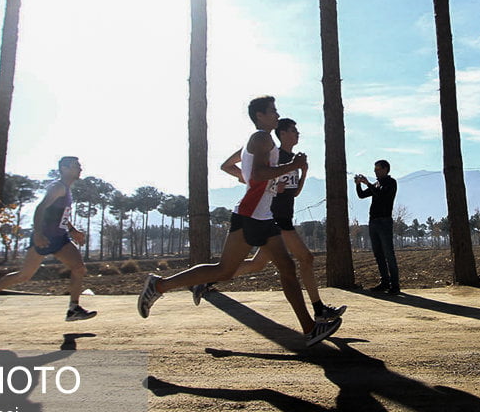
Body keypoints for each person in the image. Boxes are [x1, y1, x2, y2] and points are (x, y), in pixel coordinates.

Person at [137, 96, 342, 348]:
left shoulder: (258, 141)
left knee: (285, 268)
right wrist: (292, 165)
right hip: (250, 214)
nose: (277, 115)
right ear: (260, 116)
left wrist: (275, 176)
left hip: (260, 215)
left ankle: (310, 328)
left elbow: (245, 171)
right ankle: (159, 285)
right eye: (272, 111)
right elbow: (257, 174)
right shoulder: (261, 138)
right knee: (225, 269)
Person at [199, 118, 345, 321]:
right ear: (282, 133)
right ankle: (319, 310)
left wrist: (303, 171)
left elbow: (293, 193)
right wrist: (251, 179)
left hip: (283, 216)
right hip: (274, 217)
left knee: (257, 265)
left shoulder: (293, 159)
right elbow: (235, 168)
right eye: (293, 130)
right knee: (306, 258)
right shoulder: (271, 154)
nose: (297, 134)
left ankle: (206, 281)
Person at [0, 156, 97, 321]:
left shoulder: (66, 189)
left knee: (79, 268)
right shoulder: (57, 188)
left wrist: (72, 230)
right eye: (76, 166)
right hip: (46, 238)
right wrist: (38, 234)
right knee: (24, 275)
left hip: (60, 238)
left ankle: (73, 308)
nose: (80, 169)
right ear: (64, 169)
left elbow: (59, 214)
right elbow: (40, 209)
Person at [355, 160, 400, 294]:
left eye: (378, 169)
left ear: (385, 169)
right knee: (378, 254)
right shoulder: (376, 184)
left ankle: (395, 285)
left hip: (384, 221)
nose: (375, 171)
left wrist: (367, 183)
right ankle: (385, 282)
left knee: (388, 254)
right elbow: (362, 195)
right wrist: (358, 185)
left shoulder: (391, 183)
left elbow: (381, 194)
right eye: (375, 169)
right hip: (373, 221)